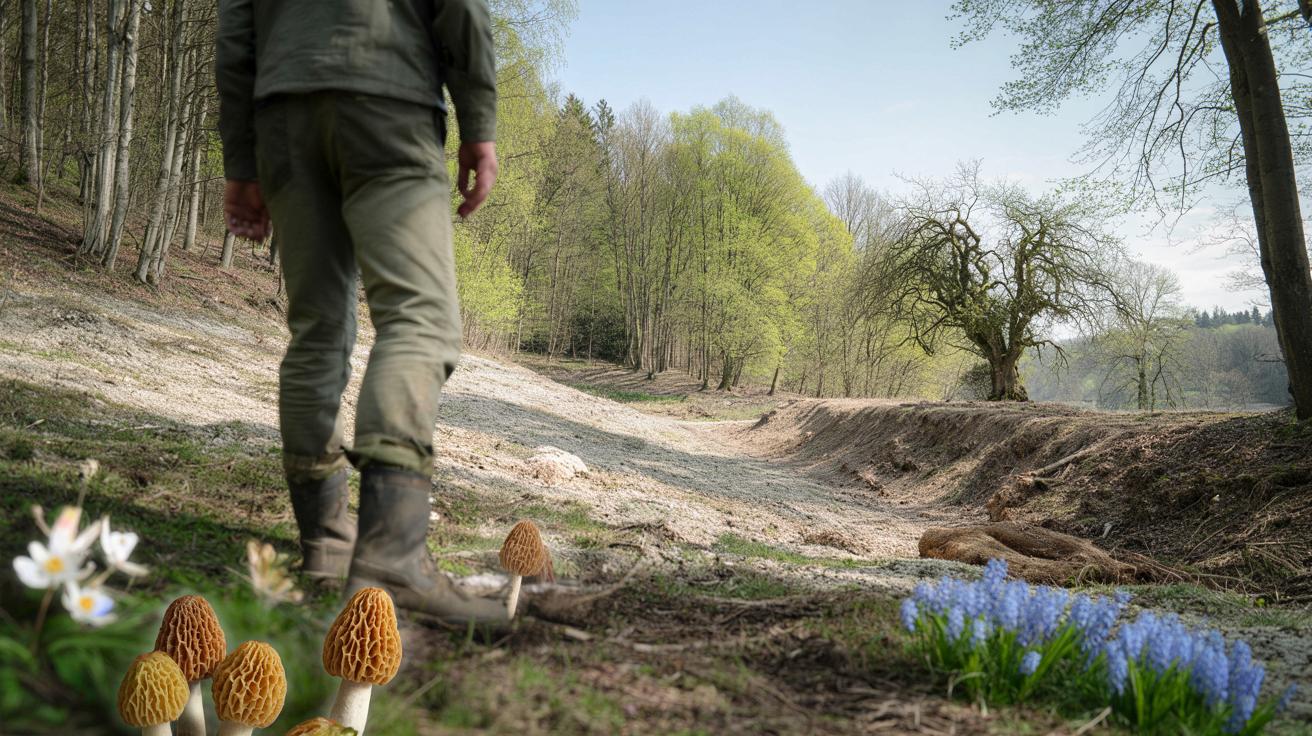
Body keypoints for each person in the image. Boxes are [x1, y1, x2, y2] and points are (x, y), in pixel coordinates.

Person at [216, 0, 503, 621]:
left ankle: (325, 544)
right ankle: (392, 559)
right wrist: (478, 122)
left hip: (282, 110)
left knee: (317, 328)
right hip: (388, 95)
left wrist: (241, 159)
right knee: (418, 319)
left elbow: (236, 28)